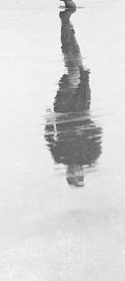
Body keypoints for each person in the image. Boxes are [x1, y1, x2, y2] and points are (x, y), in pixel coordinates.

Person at [44, 10, 102, 187]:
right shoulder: (91, 155)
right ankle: (66, 27)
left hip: (63, 108)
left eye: (71, 174)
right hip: (83, 107)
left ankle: (66, 26)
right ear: (82, 173)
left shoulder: (60, 157)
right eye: (76, 174)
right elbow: (98, 132)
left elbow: (49, 137)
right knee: (78, 66)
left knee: (75, 71)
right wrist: (85, 127)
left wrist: (49, 119)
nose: (73, 171)